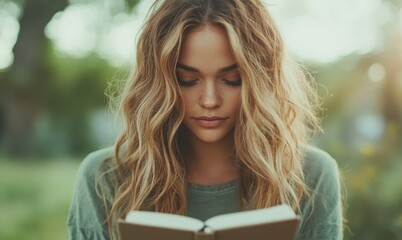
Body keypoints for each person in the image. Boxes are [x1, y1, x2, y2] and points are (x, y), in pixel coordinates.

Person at [67, 0, 343, 239]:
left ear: (262, 82)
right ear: (160, 84)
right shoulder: (104, 179)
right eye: (187, 81)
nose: (210, 100)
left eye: (231, 80)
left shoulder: (311, 176)